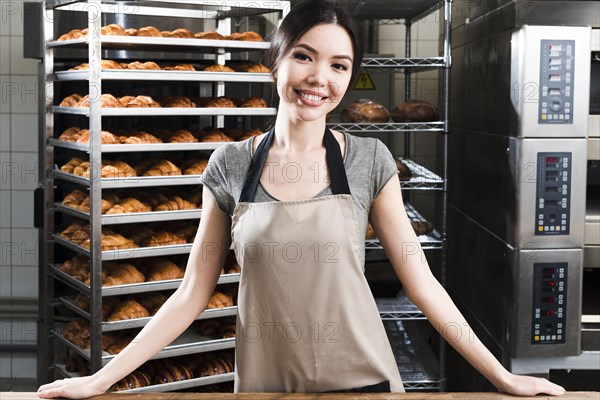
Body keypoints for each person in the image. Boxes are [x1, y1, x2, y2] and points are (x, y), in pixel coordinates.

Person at [38, 0, 566, 397]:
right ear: (277, 63)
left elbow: (422, 282)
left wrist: (501, 377)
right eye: (305, 57)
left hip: (363, 382)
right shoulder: (231, 165)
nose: (320, 78)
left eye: (339, 65)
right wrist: (100, 381)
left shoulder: (369, 160)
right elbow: (190, 295)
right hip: (265, 385)